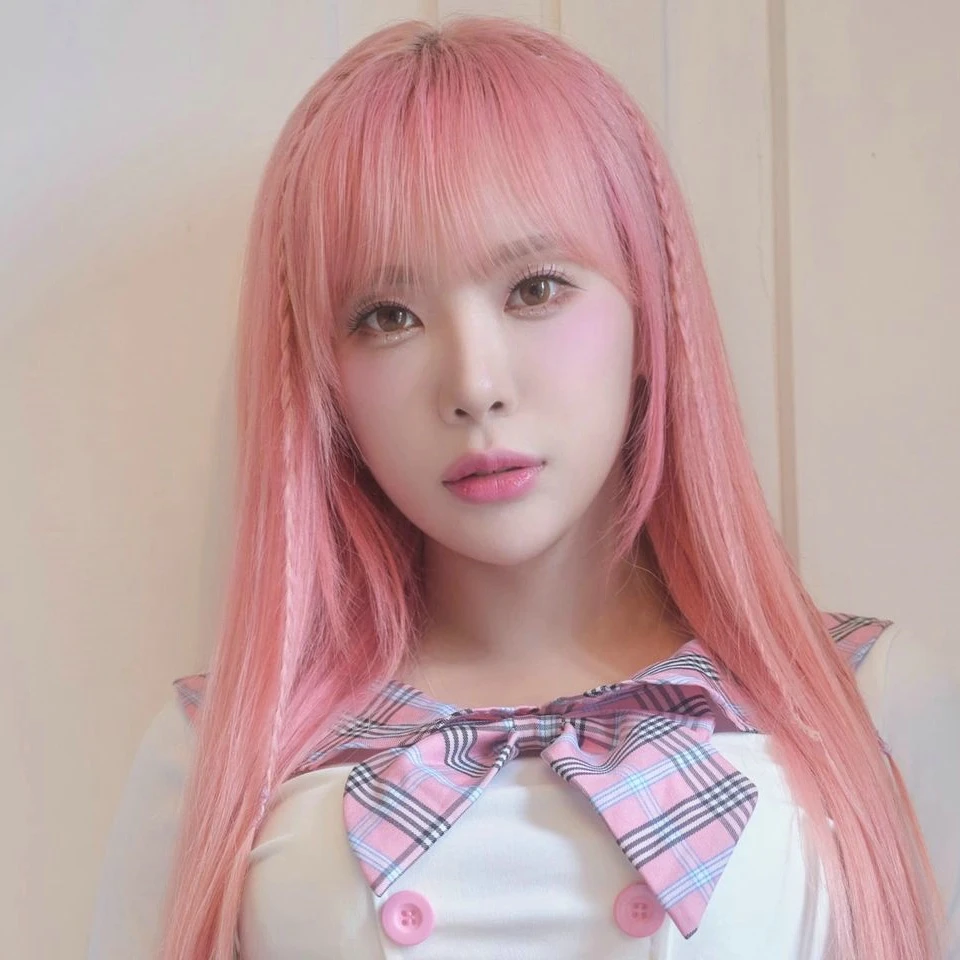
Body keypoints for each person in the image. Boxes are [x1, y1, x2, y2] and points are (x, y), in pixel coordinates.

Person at [88, 15, 957, 960]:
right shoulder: (213, 754)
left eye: (535, 289)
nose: (475, 385)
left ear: (653, 313)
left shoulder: (868, 703)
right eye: (388, 316)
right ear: (323, 379)